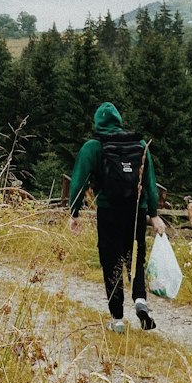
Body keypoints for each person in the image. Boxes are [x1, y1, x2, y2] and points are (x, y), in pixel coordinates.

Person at [68, 102, 166, 333]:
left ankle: (117, 318)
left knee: (111, 262)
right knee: (136, 256)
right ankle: (140, 299)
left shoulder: (94, 146)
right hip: (137, 212)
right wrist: (153, 213)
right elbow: (150, 183)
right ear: (119, 120)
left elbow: (79, 180)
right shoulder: (140, 144)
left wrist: (74, 212)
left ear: (97, 122)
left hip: (109, 210)